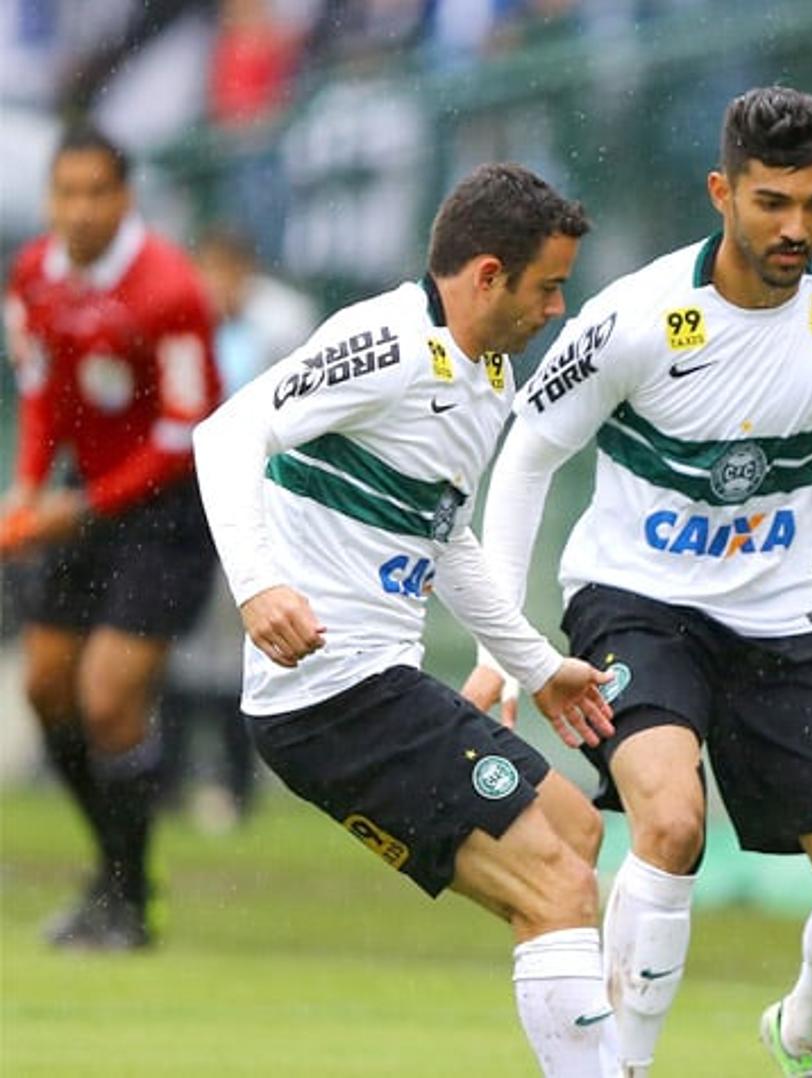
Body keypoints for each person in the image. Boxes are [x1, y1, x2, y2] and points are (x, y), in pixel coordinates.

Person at [463, 87, 812, 1078]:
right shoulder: (634, 318)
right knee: (671, 822)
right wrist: (500, 649)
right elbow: (527, 458)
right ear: (721, 190)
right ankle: (622, 1066)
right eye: (771, 202)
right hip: (635, 608)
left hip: (779, 630)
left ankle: (799, 1036)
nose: (795, 228)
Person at [190, 163, 619, 1077]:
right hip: (328, 697)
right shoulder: (384, 342)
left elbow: (446, 535)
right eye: (548, 286)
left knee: (575, 835)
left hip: (378, 685)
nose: (556, 310)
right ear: (488, 276)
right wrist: (258, 585)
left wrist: (535, 665)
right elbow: (225, 433)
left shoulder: (489, 373)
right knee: (558, 885)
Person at [2, 122, 221, 951]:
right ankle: (112, 876)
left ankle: (130, 902)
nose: (81, 209)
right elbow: (42, 391)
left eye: (97, 192)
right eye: (67, 192)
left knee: (107, 697)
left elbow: (182, 430)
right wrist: (29, 484)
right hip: (78, 500)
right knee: (46, 689)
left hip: (164, 512)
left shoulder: (170, 289)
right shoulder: (34, 276)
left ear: (126, 197)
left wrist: (77, 505)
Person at [157, 225, 323, 831]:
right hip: (187, 500)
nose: (219, 284)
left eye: (229, 271)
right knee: (179, 637)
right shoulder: (184, 320)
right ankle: (169, 778)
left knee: (239, 642)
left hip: (257, 501)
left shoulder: (284, 324)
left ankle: (234, 781)